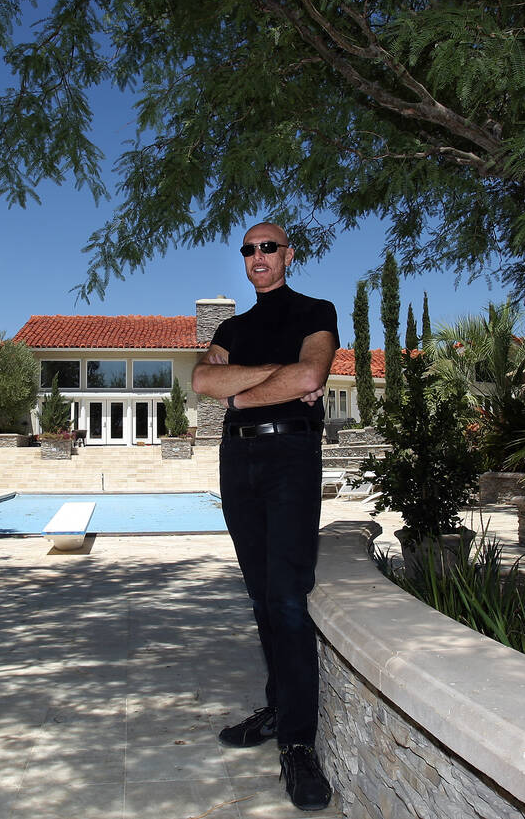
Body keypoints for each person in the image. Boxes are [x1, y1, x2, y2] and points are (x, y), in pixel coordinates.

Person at [191, 221, 338, 811]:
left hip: (291, 456)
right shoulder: (231, 327)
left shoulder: (314, 310)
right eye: (248, 249)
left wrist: (238, 393)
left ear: (288, 255)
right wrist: (270, 385)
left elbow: (312, 374)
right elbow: (201, 379)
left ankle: (299, 744)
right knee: (259, 597)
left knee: (287, 598)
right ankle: (279, 709)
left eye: (268, 247)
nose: (257, 256)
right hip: (238, 458)